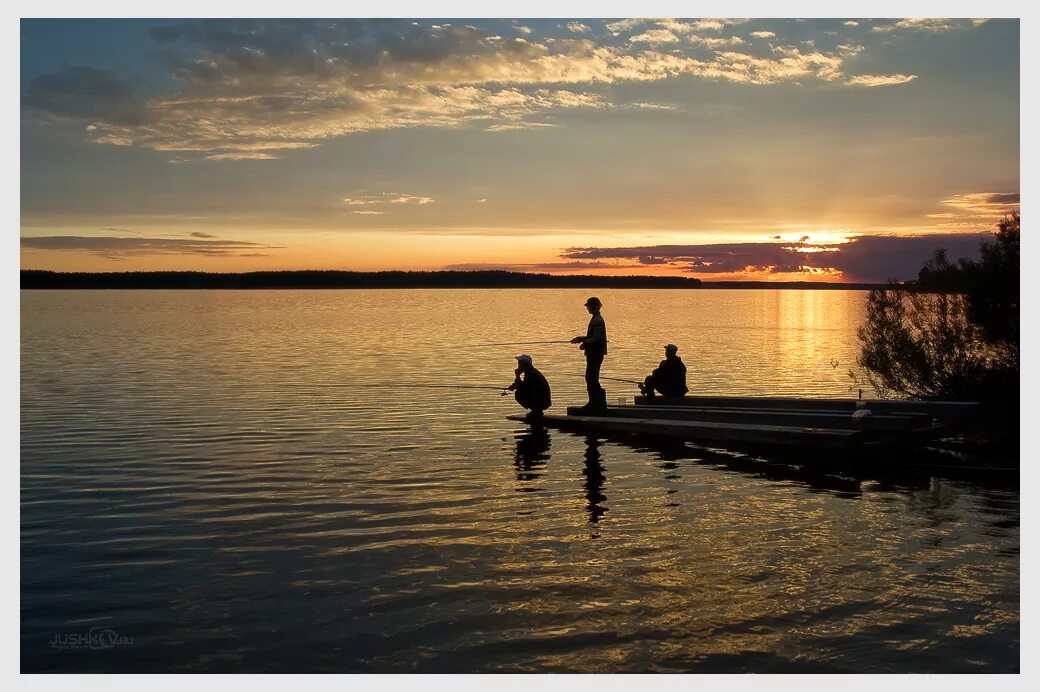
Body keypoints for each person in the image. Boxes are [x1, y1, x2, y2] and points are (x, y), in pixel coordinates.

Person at [570, 296, 607, 411]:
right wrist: (580, 339)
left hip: (596, 354)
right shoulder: (595, 319)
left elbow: (597, 338)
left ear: (595, 306)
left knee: (591, 378)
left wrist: (585, 344)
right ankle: (597, 402)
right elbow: (593, 337)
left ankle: (596, 403)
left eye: (589, 306)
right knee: (591, 378)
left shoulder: (598, 320)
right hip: (593, 353)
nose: (588, 308)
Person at [507, 354, 552, 423]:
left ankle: (536, 411)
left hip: (541, 402)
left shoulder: (531, 374)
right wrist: (515, 385)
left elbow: (523, 389)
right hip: (543, 401)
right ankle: (536, 411)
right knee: (520, 391)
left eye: (520, 363)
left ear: (525, 364)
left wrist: (517, 376)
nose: (518, 365)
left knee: (518, 394)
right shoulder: (532, 372)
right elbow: (525, 386)